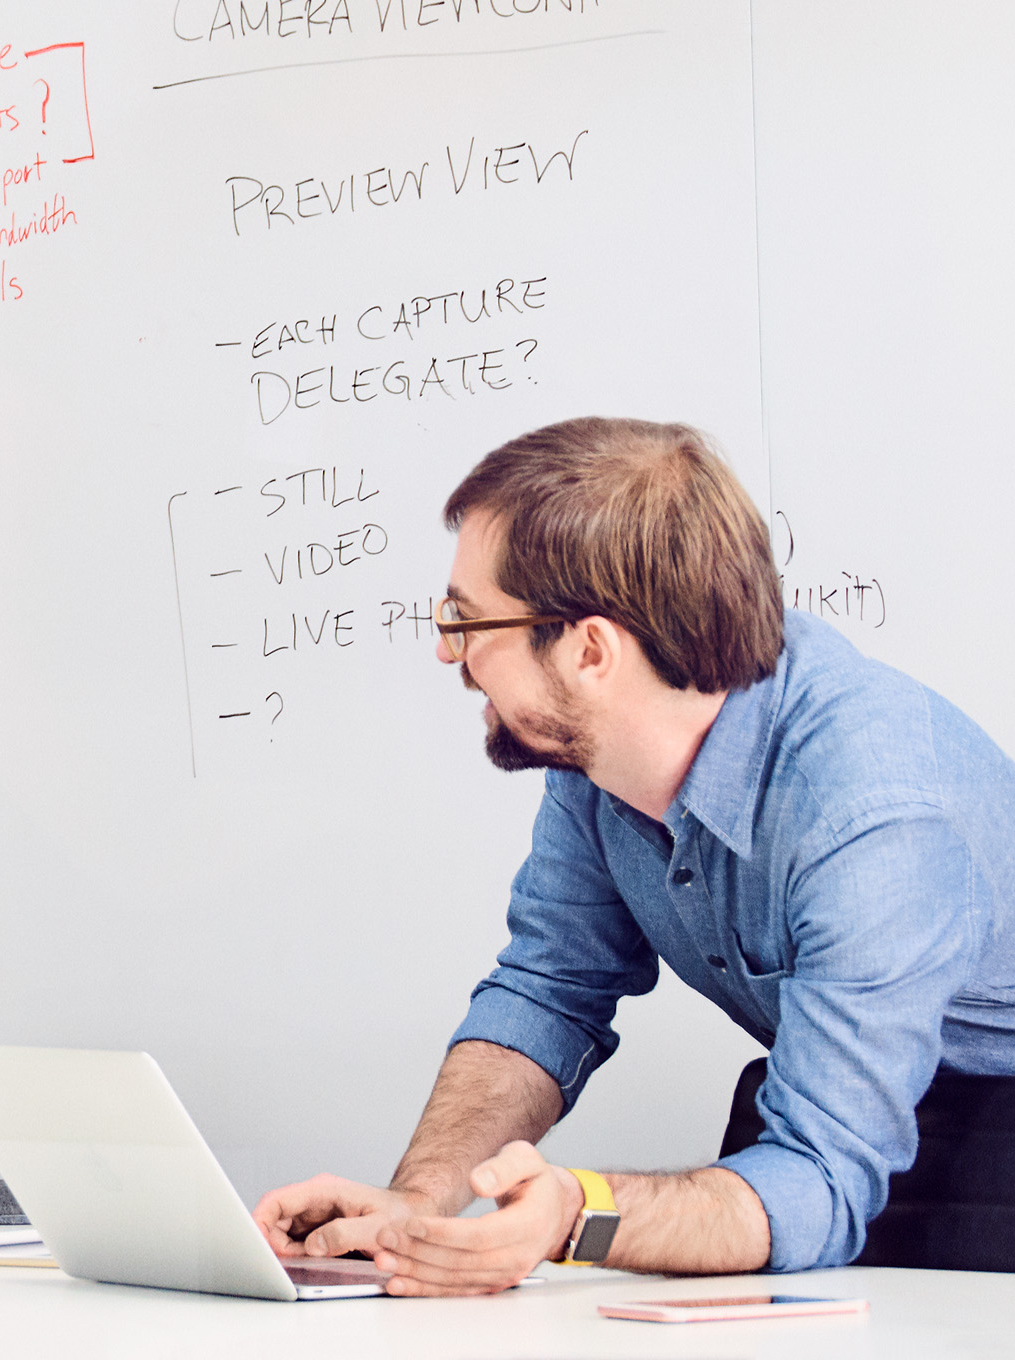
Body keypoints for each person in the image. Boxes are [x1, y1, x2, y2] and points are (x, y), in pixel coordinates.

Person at [255, 417, 1015, 1292]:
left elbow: (820, 1177)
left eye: (467, 620)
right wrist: (419, 1204)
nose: (446, 649)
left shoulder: (874, 814)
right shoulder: (599, 758)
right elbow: (550, 990)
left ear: (590, 650)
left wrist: (578, 1213)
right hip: (851, 1141)